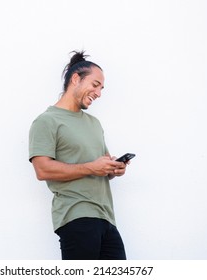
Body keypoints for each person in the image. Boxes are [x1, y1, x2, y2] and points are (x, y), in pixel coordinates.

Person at [29, 50, 129, 260]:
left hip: (107, 218)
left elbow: (102, 165)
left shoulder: (94, 123)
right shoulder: (47, 121)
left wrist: (114, 168)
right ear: (76, 79)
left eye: (101, 88)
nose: (99, 93)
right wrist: (92, 167)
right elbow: (42, 169)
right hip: (76, 216)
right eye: (95, 85)